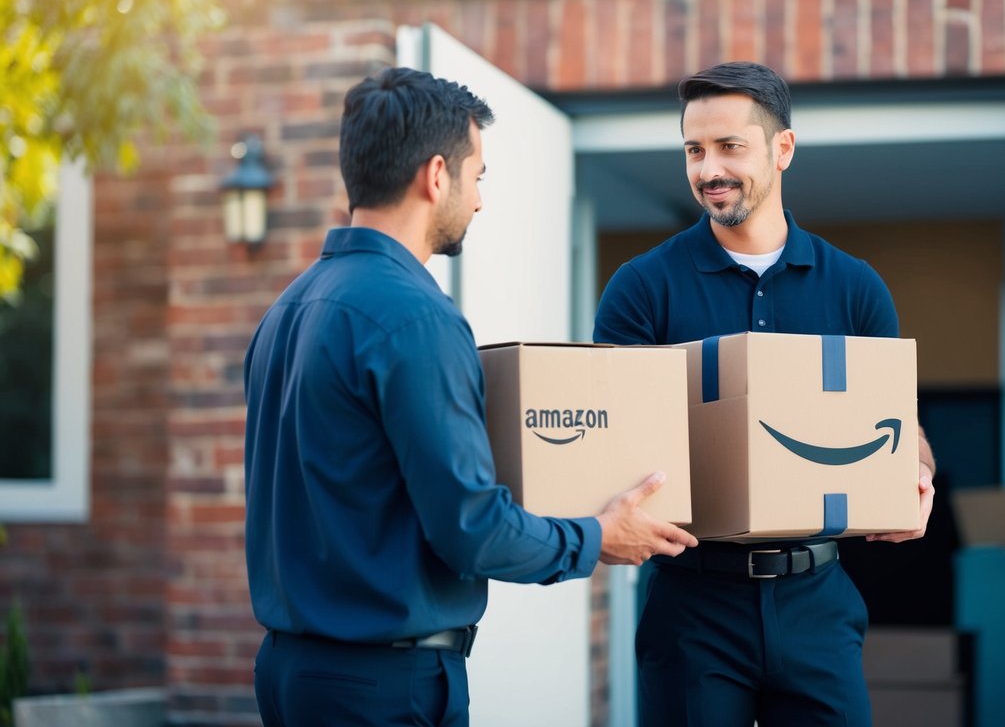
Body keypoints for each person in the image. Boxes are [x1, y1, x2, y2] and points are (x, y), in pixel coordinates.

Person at [243, 66, 697, 726]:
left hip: (292, 675)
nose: (479, 200)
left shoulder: (287, 310)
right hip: (381, 688)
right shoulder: (415, 318)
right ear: (435, 175)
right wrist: (596, 535)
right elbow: (471, 531)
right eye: (476, 176)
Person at [594, 61, 937, 726]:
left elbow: (900, 424)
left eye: (728, 147)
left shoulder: (853, 287)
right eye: (694, 150)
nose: (706, 169)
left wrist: (916, 475)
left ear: (782, 149)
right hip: (692, 603)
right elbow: (613, 445)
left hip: (816, 597)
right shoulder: (642, 289)